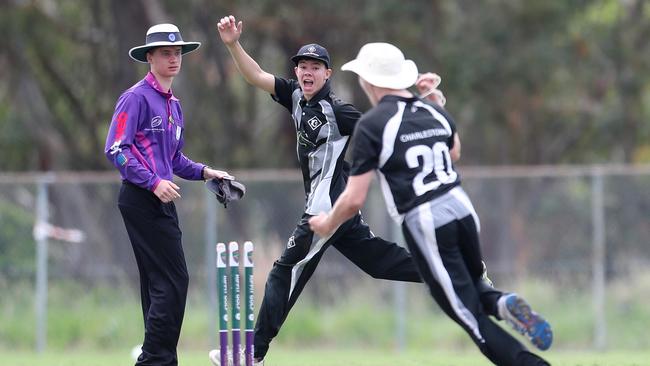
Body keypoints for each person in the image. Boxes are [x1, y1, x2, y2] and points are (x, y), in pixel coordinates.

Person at [309, 42, 553, 366]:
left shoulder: (372, 125)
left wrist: (327, 224)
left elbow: (353, 199)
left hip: (427, 220)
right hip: (462, 208)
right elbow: (454, 152)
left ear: (368, 81)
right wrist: (435, 102)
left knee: (467, 315)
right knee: (468, 286)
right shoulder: (431, 110)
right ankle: (502, 303)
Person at [216, 15, 427, 365]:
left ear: (328, 74)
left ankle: (253, 354)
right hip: (338, 208)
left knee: (285, 269)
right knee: (378, 262)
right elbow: (255, 76)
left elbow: (383, 127)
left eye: (316, 66)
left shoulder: (339, 110)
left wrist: (420, 108)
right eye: (302, 66)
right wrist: (232, 45)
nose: (307, 72)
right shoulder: (295, 96)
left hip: (324, 210)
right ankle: (452, 269)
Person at [104, 23, 234, 366]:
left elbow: (173, 159)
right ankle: (155, 359)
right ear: (150, 57)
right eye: (165, 53)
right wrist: (152, 182)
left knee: (159, 284)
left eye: (177, 53)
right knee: (174, 281)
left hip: (160, 198)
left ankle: (157, 358)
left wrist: (207, 171)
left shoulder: (174, 105)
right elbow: (117, 149)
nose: (174, 59)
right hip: (140, 198)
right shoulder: (135, 98)